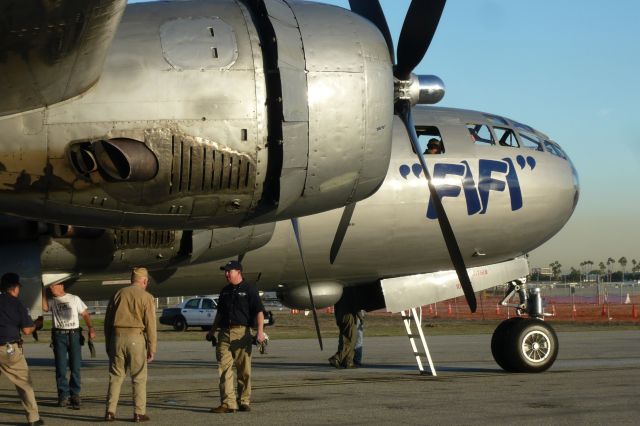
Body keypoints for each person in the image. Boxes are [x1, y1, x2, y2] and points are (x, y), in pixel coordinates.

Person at [207, 260, 265, 413]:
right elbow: (219, 314)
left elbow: (259, 312)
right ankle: (228, 404)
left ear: (238, 272)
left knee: (244, 370)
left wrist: (260, 332)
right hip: (224, 333)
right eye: (225, 271)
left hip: (242, 333)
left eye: (229, 271)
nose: (226, 274)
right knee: (224, 369)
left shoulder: (250, 289)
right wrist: (212, 331)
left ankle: (244, 401)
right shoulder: (225, 291)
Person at [103, 267, 157, 423]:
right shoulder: (147, 297)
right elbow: (151, 325)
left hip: (117, 337)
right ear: (145, 281)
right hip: (136, 338)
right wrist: (152, 348)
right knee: (139, 377)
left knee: (115, 376)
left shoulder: (118, 294)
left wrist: (109, 343)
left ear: (132, 279)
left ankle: (110, 411)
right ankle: (139, 413)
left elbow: (107, 322)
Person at [42, 281, 96, 409]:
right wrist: (43, 290)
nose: (51, 288)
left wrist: (91, 328)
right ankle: (63, 395)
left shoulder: (74, 298)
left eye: (53, 285)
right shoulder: (52, 301)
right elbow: (44, 308)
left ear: (61, 286)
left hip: (74, 335)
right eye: (50, 286)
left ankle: (75, 394)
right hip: (59, 335)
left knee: (75, 366)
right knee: (61, 368)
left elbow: (85, 314)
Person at [0, 272, 44, 426]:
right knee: (24, 383)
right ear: (14, 287)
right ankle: (33, 418)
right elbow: (26, 330)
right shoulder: (16, 304)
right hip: (8, 349)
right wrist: (36, 325)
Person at [328, 294, 359, 369]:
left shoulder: (338, 292)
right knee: (351, 340)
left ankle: (348, 362)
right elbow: (355, 304)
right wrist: (360, 317)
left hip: (340, 316)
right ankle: (337, 358)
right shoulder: (350, 290)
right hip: (349, 316)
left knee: (345, 339)